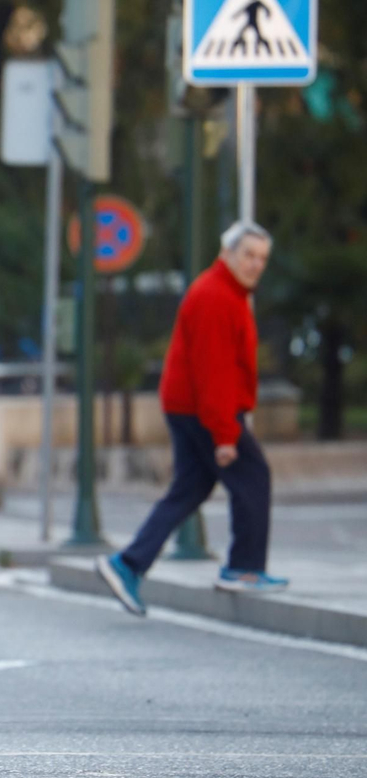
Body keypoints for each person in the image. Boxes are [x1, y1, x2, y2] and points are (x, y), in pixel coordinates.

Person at [98, 221, 285, 614]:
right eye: (248, 255)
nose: (255, 265)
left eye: (262, 258)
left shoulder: (226, 293)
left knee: (189, 490)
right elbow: (213, 372)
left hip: (188, 406)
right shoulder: (217, 296)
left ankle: (128, 564)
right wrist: (225, 435)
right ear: (227, 253)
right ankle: (244, 569)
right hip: (203, 409)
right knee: (253, 477)